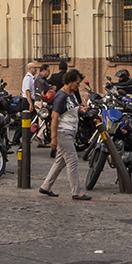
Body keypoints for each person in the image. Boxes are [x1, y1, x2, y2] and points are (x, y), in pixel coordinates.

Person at [39, 69, 92, 200]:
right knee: (72, 161)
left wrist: (81, 109)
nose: (78, 86)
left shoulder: (71, 95)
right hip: (64, 133)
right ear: (70, 82)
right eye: (77, 83)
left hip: (70, 131)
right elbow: (54, 116)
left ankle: (45, 187)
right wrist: (53, 138)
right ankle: (76, 191)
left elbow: (70, 110)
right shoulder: (61, 96)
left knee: (60, 162)